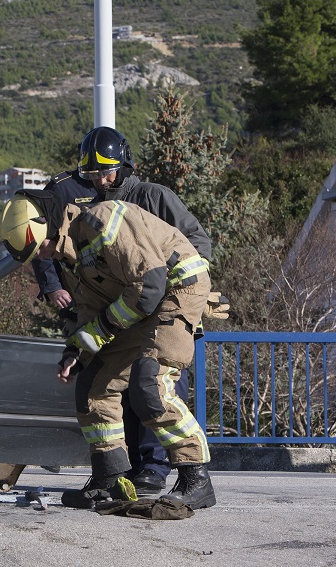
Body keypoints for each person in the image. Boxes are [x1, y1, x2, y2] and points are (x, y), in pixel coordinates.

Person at [0, 190, 216, 510]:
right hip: (138, 302)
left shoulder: (105, 221)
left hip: (175, 287)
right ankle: (109, 478)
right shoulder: (70, 259)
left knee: (150, 382)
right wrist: (77, 351)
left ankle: (195, 477)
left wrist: (103, 329)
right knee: (93, 386)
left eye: (41, 247)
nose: (43, 256)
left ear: (48, 224)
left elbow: (151, 284)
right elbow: (91, 310)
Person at [35, 126, 214, 494]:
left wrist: (178, 297)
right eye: (93, 174)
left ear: (124, 165)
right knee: (102, 384)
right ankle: (114, 473)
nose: (101, 179)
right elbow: (95, 291)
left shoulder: (152, 197)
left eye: (107, 171)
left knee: (151, 387)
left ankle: (159, 470)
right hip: (130, 308)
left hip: (162, 305)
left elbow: (196, 248)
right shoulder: (92, 216)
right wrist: (78, 347)